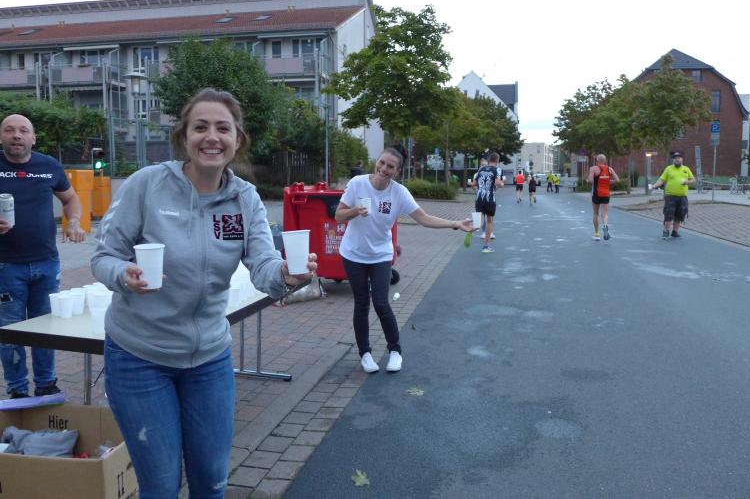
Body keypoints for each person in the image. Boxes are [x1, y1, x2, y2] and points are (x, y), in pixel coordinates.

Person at [91, 88, 317, 498]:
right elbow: (104, 257)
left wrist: (286, 275)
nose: (211, 137)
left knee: (212, 482)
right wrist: (125, 274)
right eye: (200, 127)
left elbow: (264, 266)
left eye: (222, 128)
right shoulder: (147, 185)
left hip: (209, 358)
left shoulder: (244, 199)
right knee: (160, 487)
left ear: (237, 139)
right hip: (139, 356)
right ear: (184, 136)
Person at [336, 144, 472, 374]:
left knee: (381, 303)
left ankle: (395, 351)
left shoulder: (398, 193)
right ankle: (365, 354)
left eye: (390, 166)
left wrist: (455, 224)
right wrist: (354, 211)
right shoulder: (357, 184)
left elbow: (423, 218)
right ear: (376, 162)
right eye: (381, 163)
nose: (383, 169)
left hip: (380, 254)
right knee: (361, 304)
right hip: (353, 254)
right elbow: (338, 215)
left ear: (397, 171)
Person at [0, 114, 86, 400]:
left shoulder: (48, 166)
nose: (17, 135)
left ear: (33, 138)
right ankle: (17, 390)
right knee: (10, 331)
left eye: (23, 130)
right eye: (9, 130)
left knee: (46, 327)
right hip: (5, 266)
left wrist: (74, 221)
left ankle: (46, 384)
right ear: (1, 136)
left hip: (47, 263)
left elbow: (70, 198)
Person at [652, 151, 695, 239]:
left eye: (679, 158)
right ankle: (666, 231)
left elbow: (693, 180)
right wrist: (654, 186)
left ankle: (675, 231)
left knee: (680, 215)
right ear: (673, 160)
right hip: (670, 196)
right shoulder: (669, 169)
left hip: (682, 197)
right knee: (668, 215)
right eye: (675, 158)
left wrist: (686, 182)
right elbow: (662, 180)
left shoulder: (686, 169)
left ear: (682, 159)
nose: (677, 160)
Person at [473, 152, 505, 253]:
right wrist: (502, 183)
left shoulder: (481, 169)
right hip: (490, 198)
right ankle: (486, 246)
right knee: (490, 221)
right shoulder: (497, 169)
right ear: (497, 160)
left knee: (478, 221)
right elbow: (497, 183)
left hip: (479, 198)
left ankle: (470, 227)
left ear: (488, 160)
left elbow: (473, 184)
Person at [586, 154, 619, 240]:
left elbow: (590, 181)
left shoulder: (593, 169)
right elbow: (617, 180)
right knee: (605, 213)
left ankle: (596, 234)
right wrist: (608, 182)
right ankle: (605, 225)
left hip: (596, 193)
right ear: (605, 161)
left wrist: (589, 180)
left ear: (597, 160)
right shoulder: (609, 169)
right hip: (606, 194)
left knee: (595, 213)